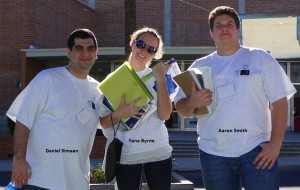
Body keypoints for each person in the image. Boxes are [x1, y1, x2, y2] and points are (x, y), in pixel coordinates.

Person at [174, 6, 296, 190]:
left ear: (238, 29)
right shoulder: (199, 66)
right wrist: (193, 102)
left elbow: (279, 102)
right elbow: (181, 109)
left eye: (230, 24)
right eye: (219, 25)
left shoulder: (259, 58)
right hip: (213, 153)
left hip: (256, 151)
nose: (224, 29)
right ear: (211, 33)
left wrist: (275, 145)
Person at [6, 28, 101, 190]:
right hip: (40, 180)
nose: (85, 53)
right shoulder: (47, 78)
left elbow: (108, 125)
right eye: (79, 48)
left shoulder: (98, 91)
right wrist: (19, 159)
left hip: (77, 184)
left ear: (96, 53)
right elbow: (23, 121)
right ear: (68, 52)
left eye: (90, 49)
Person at [99, 27, 173, 190]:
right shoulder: (113, 79)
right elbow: (103, 123)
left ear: (155, 54)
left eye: (151, 49)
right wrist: (120, 114)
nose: (144, 50)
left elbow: (165, 114)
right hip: (126, 154)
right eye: (141, 44)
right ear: (132, 43)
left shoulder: (161, 75)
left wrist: (160, 80)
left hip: (157, 150)